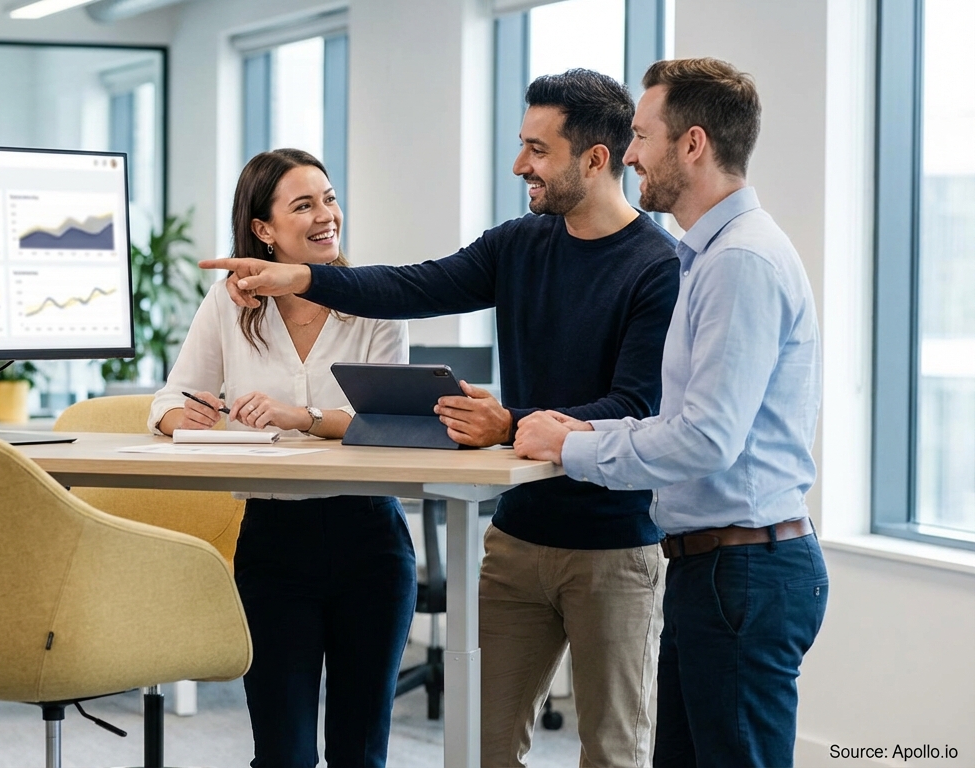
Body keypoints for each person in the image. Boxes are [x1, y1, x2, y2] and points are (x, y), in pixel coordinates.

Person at [202, 70, 680, 768]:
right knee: (485, 748)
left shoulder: (656, 267)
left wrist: (507, 422)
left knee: (611, 752)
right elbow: (411, 284)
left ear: (595, 159)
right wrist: (300, 277)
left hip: (610, 548)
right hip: (517, 538)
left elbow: (634, 406)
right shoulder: (519, 244)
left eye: (536, 150)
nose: (520, 164)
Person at [513, 58, 828, 767]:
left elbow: (705, 441)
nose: (628, 154)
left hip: (742, 571)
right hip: (713, 568)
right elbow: (682, 421)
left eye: (642, 136)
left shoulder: (739, 263)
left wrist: (571, 450)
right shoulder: (706, 258)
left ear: (692, 145)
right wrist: (584, 429)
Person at [149, 148, 413, 767]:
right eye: (304, 205)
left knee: (359, 753)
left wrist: (300, 418)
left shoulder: (374, 298)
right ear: (263, 230)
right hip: (274, 541)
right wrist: (180, 417)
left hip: (368, 536)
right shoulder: (230, 304)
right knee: (281, 754)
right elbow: (169, 396)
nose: (326, 216)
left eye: (329, 198)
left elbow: (391, 420)